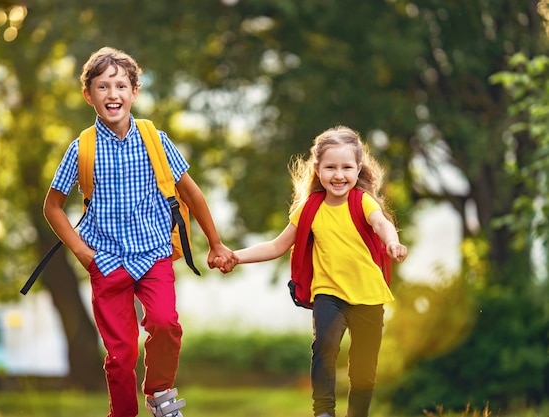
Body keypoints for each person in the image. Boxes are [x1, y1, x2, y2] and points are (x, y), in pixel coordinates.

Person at [43, 46, 236, 417]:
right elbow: (52, 207)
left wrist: (215, 243)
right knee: (121, 354)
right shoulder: (82, 149)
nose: (112, 94)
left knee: (165, 324)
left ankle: (159, 392)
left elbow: (191, 192)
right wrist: (83, 253)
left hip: (153, 253)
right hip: (107, 260)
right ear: (88, 95)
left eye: (120, 85)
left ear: (135, 91)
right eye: (102, 87)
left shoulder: (155, 140)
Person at [218, 125, 407, 417]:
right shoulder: (310, 208)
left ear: (359, 169)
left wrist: (392, 242)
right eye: (330, 167)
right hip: (329, 294)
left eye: (346, 167)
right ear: (317, 169)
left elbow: (382, 223)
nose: (339, 175)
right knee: (325, 345)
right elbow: (277, 245)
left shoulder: (362, 202)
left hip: (368, 297)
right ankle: (323, 412)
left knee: (363, 371)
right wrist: (235, 257)